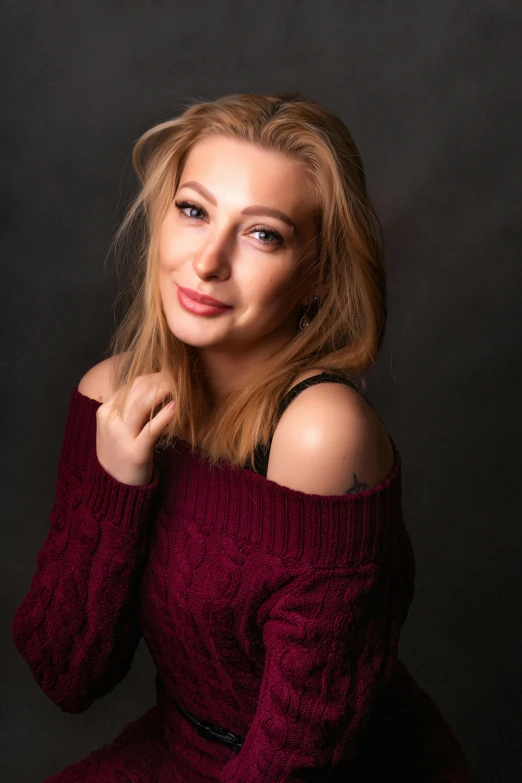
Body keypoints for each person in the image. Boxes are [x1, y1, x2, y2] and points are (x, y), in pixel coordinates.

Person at [12, 92, 474, 781]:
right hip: (183, 749)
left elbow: (301, 754)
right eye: (194, 211)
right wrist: (116, 487)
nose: (206, 263)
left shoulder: (321, 434)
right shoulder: (113, 395)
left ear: (317, 273)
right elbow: (64, 673)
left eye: (263, 234)